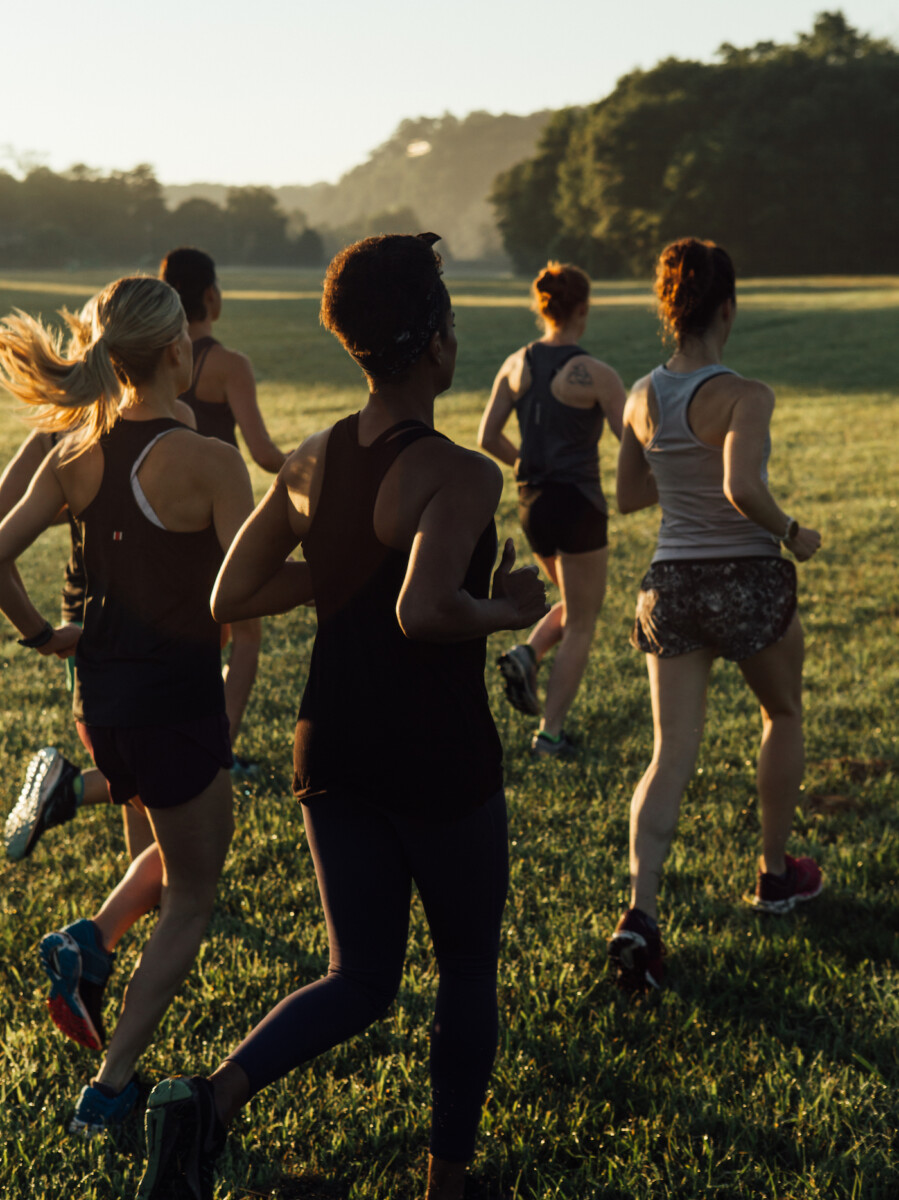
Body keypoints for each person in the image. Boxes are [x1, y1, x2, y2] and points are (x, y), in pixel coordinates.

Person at [135, 234, 547, 1200]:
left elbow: (229, 594)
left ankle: (208, 1101)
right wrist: (510, 611)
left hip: (333, 746)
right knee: (464, 978)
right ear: (438, 344)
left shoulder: (313, 460)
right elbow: (425, 609)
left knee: (359, 976)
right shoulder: (461, 474)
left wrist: (333, 567)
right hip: (437, 758)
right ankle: (448, 1185)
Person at [0, 276, 253, 1131]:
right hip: (177, 701)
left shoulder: (75, 454)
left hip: (101, 707)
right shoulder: (215, 462)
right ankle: (108, 1091)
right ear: (178, 351)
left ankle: (88, 941)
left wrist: (41, 635)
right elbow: (242, 607)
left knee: (180, 841)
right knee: (192, 896)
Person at [608, 237, 823, 991]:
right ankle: (773, 874)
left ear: (667, 309)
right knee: (782, 715)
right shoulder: (745, 393)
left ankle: (639, 914)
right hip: (746, 579)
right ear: (727, 307)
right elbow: (740, 488)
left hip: (668, 585)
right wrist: (792, 533)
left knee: (670, 753)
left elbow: (630, 497)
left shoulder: (638, 396)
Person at [1, 388, 198, 862]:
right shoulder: (174, 415)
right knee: (158, 773)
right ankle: (68, 789)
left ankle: (145, 891)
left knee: (134, 764)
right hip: (142, 624)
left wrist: (42, 636)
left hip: (82, 618)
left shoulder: (66, 425)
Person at [478, 261, 625, 756]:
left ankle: (528, 652)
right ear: (582, 309)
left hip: (532, 503)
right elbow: (633, 439)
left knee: (572, 602)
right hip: (579, 503)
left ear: (543, 307)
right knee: (583, 618)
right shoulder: (598, 375)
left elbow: (486, 436)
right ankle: (550, 735)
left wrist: (526, 461)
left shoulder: (515, 364)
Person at [160, 246, 286, 757]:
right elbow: (263, 454)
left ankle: (186, 736)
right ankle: (219, 751)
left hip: (166, 510)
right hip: (223, 515)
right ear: (211, 296)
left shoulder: (158, 359)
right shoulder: (229, 364)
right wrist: (310, 459)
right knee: (247, 635)